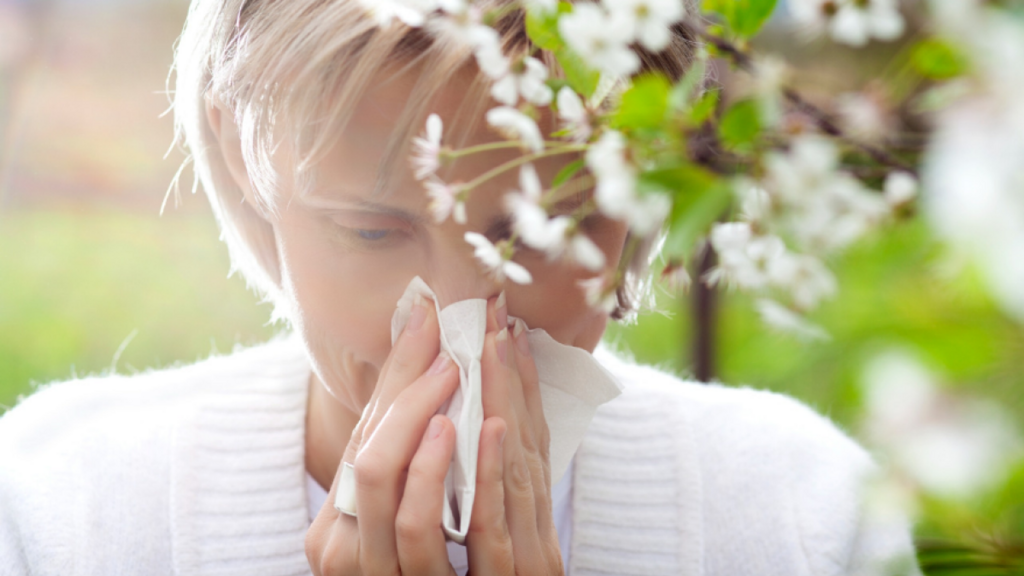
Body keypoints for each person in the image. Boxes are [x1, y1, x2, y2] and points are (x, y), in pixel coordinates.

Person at [0, 0, 920, 574]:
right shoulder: (59, 511)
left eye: (542, 230)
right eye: (369, 229)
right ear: (249, 173)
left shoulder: (801, 514)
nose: (457, 322)